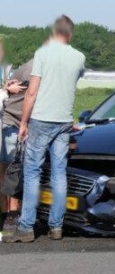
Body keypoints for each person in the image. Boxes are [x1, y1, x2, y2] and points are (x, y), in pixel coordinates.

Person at [3, 15, 85, 243]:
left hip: (41, 120)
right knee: (60, 173)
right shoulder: (79, 57)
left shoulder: (42, 54)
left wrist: (24, 123)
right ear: (69, 33)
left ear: (53, 32)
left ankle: (26, 227)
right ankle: (56, 227)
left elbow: (31, 93)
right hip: (64, 121)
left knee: (32, 173)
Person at [0, 60, 31, 234]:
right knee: (10, 171)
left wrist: (5, 88)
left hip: (7, 125)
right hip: (9, 125)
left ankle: (7, 216)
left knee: (7, 171)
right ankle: (10, 216)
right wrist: (6, 91)